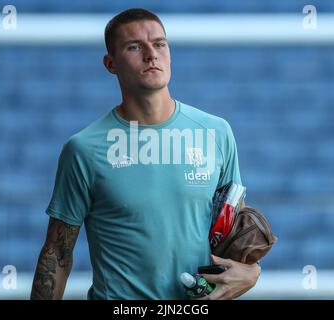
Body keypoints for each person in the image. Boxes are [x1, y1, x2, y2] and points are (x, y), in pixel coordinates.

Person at [30, 8, 260, 300]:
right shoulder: (84, 149)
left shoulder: (217, 133)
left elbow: (234, 237)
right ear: (110, 63)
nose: (152, 54)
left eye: (160, 44)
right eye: (135, 46)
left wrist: (252, 272)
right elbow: (57, 253)